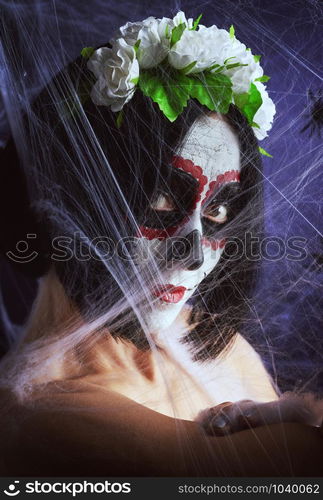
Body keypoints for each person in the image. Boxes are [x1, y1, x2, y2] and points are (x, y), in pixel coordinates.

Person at [0, 11, 322, 476]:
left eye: (216, 212)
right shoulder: (39, 415)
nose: (193, 256)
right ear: (63, 200)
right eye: (162, 202)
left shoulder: (217, 346)